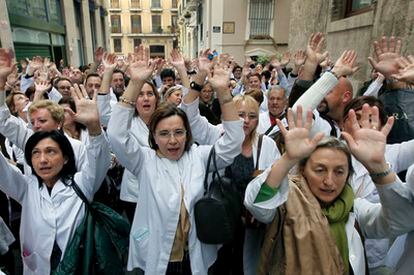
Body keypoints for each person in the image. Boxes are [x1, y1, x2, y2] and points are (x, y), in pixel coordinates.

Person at [107, 45, 244, 274]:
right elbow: (116, 135)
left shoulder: (199, 156)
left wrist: (223, 93)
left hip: (195, 256)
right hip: (159, 255)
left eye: (178, 132)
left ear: (187, 134)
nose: (172, 141)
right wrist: (135, 84)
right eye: (164, 134)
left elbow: (232, 144)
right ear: (153, 137)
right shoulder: (144, 160)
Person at [244, 105, 414, 274]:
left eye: (339, 172)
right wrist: (288, 160)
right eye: (320, 170)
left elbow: (401, 222)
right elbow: (258, 203)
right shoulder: (286, 201)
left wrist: (378, 167)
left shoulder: (354, 209)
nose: (329, 181)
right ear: (303, 170)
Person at [0, 86, 111, 274]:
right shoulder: (26, 188)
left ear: (66, 158)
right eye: (35, 154)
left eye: (51, 152)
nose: (43, 160)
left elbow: (98, 160)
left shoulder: (81, 184)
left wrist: (94, 127)